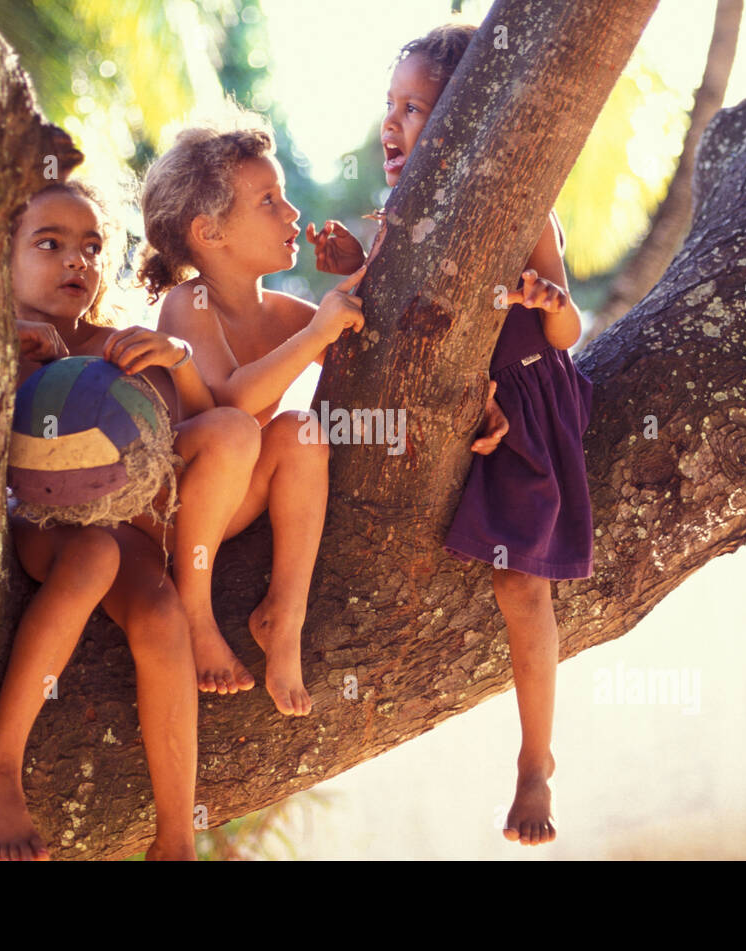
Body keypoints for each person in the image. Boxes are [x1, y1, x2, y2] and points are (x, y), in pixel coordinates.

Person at [306, 24, 596, 846]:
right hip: (453, 406)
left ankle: (536, 756)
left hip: (529, 405)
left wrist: (545, 299)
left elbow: (569, 330)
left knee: (519, 587)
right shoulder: (398, 211)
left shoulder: (527, 205)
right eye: (389, 107)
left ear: (472, 119)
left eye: (416, 109)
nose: (392, 128)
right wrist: (349, 264)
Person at [0, 180, 261, 860]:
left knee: (160, 608)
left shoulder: (114, 344)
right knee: (93, 556)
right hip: (39, 521)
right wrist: (5, 356)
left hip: (125, 523)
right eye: (50, 244)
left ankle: (175, 839)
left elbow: (187, 426)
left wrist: (177, 361)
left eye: (92, 247)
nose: (77, 260)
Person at [137, 122, 367, 716]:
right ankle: (193, 609)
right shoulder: (189, 303)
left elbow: (372, 331)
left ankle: (282, 616)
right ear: (210, 233)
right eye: (268, 201)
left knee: (299, 432)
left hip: (231, 507)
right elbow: (231, 402)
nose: (292, 212)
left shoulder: (287, 312)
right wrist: (318, 331)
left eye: (285, 196)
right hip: (170, 511)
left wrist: (361, 264)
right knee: (239, 427)